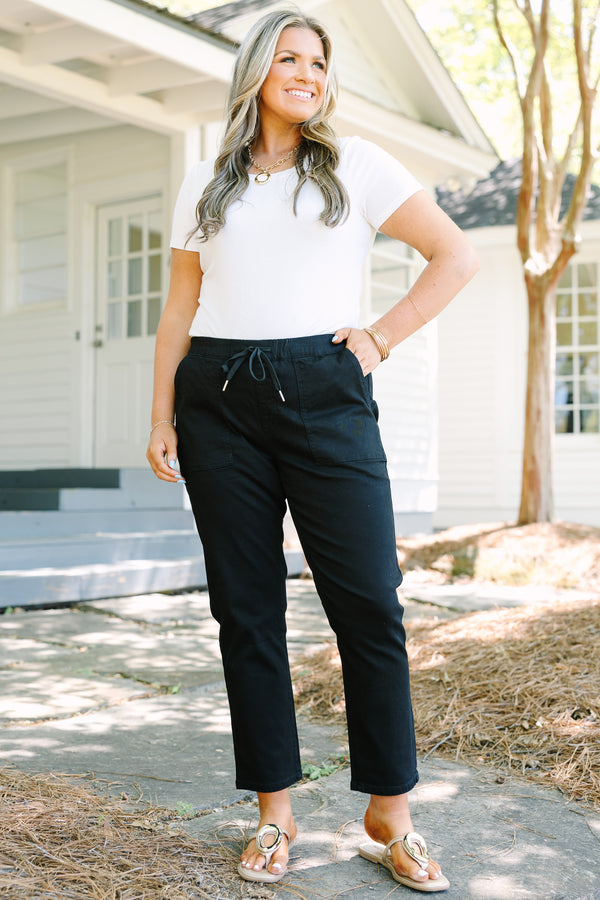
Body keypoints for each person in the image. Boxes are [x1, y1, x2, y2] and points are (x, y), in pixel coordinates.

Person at [147, 8, 479, 893]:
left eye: (319, 63)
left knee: (370, 601)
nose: (307, 73)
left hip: (326, 392)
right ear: (256, 70)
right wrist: (159, 416)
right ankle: (274, 817)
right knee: (246, 611)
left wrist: (380, 336)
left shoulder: (359, 166)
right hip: (215, 399)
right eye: (290, 58)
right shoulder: (205, 184)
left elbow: (454, 255)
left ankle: (389, 816)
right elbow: (179, 308)